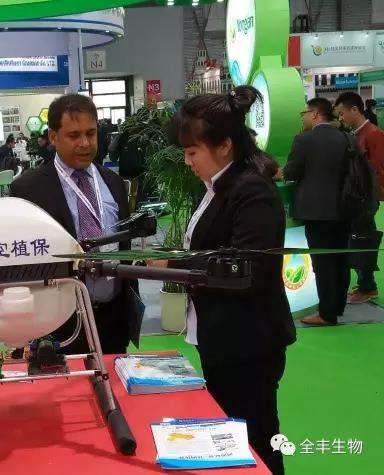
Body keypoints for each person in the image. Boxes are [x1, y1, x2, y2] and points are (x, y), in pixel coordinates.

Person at [152, 86, 296, 475]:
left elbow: (246, 268)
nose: (187, 161)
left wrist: (173, 264)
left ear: (225, 145)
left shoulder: (251, 190)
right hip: (221, 336)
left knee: (256, 437)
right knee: (232, 433)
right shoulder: (218, 187)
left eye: (192, 152)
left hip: (247, 341)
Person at [10, 94, 143, 354]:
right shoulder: (28, 189)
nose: (85, 143)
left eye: (91, 133)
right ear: (53, 137)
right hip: (56, 323)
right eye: (74, 135)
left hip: (112, 320)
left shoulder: (114, 183)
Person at [282, 98, 352, 325]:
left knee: (322, 263)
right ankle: (337, 307)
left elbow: (291, 172)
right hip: (344, 207)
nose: (303, 117)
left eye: (304, 112)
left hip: (316, 210)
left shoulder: (304, 139)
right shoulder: (346, 138)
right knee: (340, 259)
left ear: (314, 114)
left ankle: (326, 314)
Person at [335, 92, 384, 304]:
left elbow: (377, 170)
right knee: (357, 238)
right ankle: (365, 283)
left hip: (365, 199)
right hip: (357, 198)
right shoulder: (355, 134)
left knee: (364, 239)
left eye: (342, 113)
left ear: (354, 110)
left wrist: (368, 197)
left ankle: (367, 286)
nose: (341, 118)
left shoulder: (373, 134)